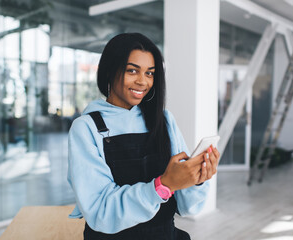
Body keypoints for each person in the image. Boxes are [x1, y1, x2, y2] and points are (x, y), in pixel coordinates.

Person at [67, 33, 220, 240]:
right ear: (110, 70)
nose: (142, 82)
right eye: (132, 71)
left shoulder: (164, 120)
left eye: (150, 73)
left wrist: (197, 179)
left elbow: (188, 207)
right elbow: (100, 211)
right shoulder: (86, 128)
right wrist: (162, 186)